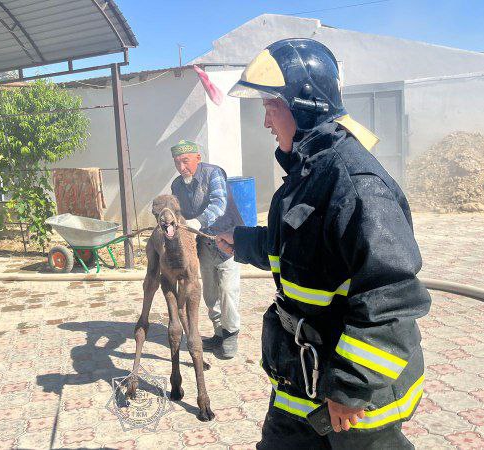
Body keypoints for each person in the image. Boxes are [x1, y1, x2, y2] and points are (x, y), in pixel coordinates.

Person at [217, 39, 431, 449]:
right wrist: (241, 242)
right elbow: (300, 252)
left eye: (269, 107)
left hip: (355, 401)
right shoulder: (309, 173)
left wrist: (350, 389)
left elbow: (393, 298)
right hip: (303, 381)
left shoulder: (354, 184)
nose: (265, 123)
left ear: (303, 105)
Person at [170, 140, 245, 359]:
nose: (182, 167)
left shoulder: (213, 174)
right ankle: (219, 332)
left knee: (228, 290)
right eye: (177, 163)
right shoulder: (177, 185)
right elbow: (177, 211)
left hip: (228, 240)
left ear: (198, 158)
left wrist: (197, 222)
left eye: (185, 161)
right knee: (211, 292)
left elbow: (219, 204)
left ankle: (231, 334)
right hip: (202, 245)